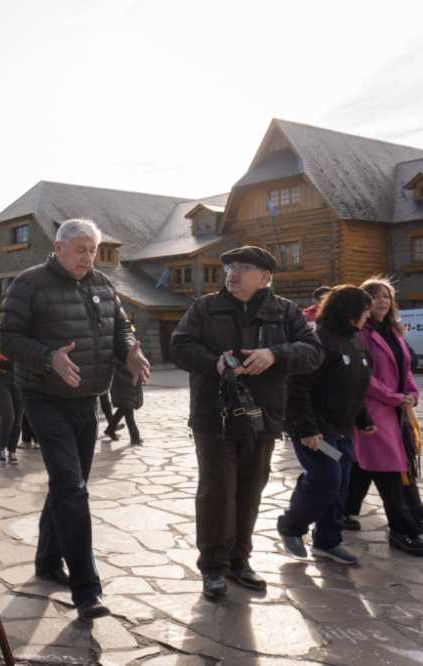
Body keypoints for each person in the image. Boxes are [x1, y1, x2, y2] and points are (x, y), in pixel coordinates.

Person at [0, 218, 150, 620]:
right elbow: (7, 338)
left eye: (93, 250)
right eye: (80, 249)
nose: (88, 257)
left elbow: (122, 327)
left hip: (89, 400)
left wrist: (131, 350)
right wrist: (49, 358)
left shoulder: (102, 283)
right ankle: (87, 591)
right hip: (44, 398)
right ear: (59, 248)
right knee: (72, 488)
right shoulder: (29, 283)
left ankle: (47, 561)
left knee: (68, 486)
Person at [171, 246, 322, 601]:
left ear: (265, 277)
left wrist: (276, 354)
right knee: (217, 491)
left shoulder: (284, 312)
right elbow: (179, 346)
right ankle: (213, 567)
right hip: (214, 417)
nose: (232, 273)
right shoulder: (205, 307)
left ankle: (240, 561)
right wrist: (215, 364)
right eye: (229, 266)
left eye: (243, 267)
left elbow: (314, 353)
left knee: (251, 490)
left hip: (263, 418)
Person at [277, 285, 376, 565]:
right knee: (326, 478)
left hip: (342, 430)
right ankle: (291, 526)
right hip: (316, 430)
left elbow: (356, 385)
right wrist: (307, 429)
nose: (368, 315)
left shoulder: (356, 341)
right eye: (365, 309)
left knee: (340, 483)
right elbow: (296, 388)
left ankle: (327, 542)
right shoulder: (317, 340)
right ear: (350, 312)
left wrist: (363, 418)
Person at [343, 277, 423, 556]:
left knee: (366, 464)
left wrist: (412, 394)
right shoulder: (359, 333)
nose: (382, 301)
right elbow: (363, 376)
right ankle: (401, 528)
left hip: (396, 411)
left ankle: (344, 510)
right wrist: (395, 398)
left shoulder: (394, 331)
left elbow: (405, 370)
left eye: (386, 296)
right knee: (389, 467)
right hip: (373, 410)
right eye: (375, 296)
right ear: (364, 303)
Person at [0, 348, 23, 464]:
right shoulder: (4, 340)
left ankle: (12, 450)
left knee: (18, 420)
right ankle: (1, 448)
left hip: (19, 381)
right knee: (8, 417)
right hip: (1, 381)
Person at [108, 358, 143, 446]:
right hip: (124, 388)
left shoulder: (130, 353)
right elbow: (119, 373)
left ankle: (110, 430)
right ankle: (135, 437)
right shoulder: (119, 356)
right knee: (128, 413)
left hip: (128, 387)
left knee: (122, 410)